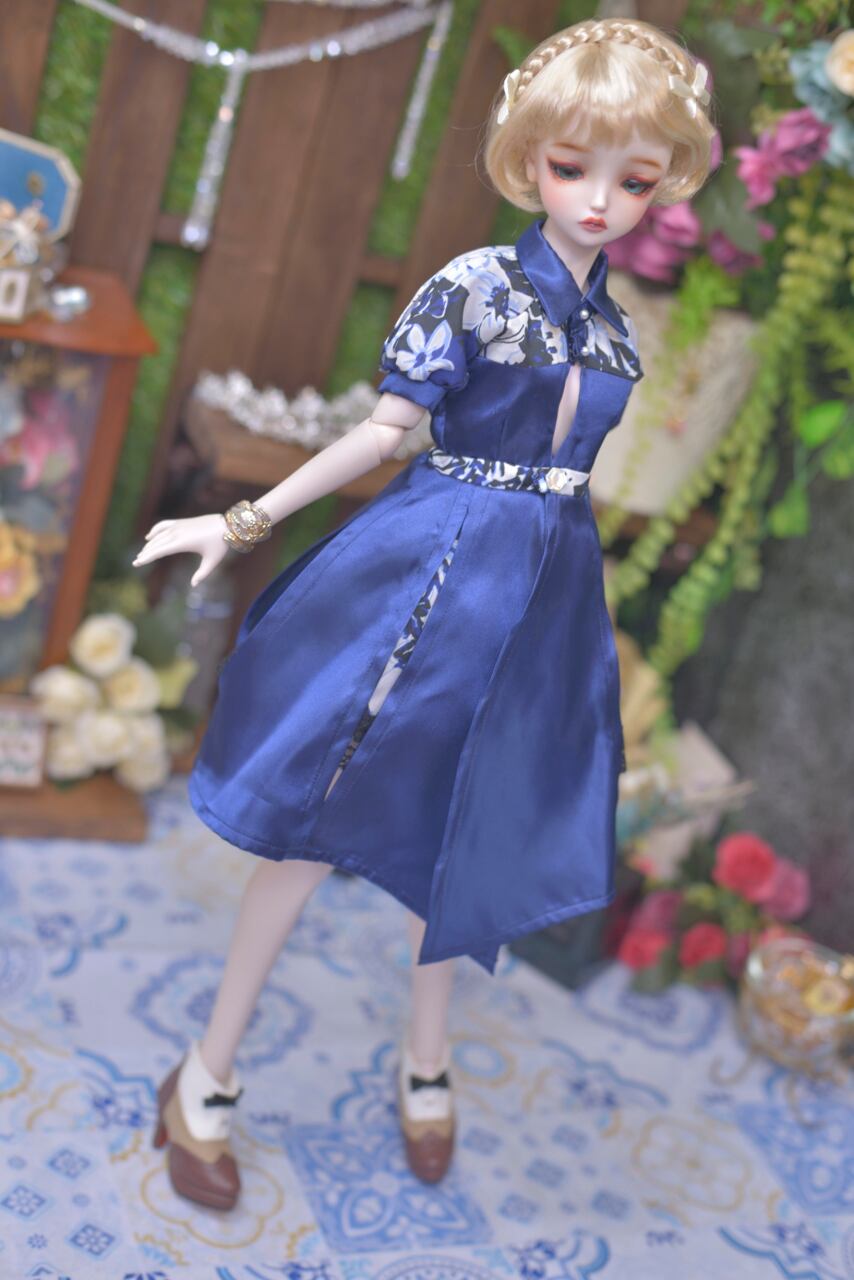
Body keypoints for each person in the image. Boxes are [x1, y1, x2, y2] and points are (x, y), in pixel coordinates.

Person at [134, 17, 714, 1210]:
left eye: (632, 179)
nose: (597, 200)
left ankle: (425, 1054)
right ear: (527, 156)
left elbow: (570, 476)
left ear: (664, 185)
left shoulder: (613, 330)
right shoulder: (476, 288)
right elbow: (383, 432)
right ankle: (206, 1067)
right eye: (571, 166)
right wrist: (241, 519)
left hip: (543, 592)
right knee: (319, 811)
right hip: (433, 570)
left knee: (469, 819)